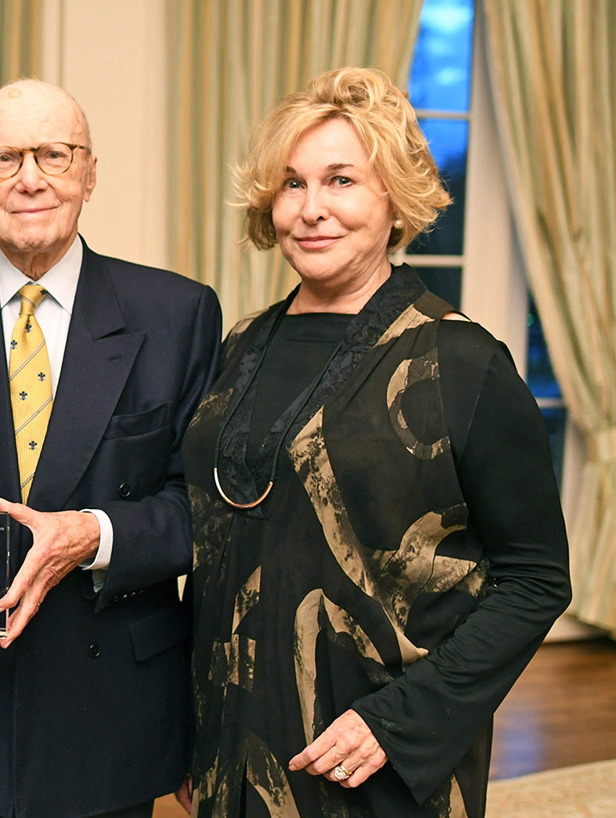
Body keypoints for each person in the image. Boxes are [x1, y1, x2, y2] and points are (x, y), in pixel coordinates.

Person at [180, 67, 572, 818]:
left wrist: (396, 723)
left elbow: (535, 581)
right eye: (292, 184)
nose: (311, 209)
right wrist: (195, 729)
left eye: (340, 181)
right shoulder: (242, 344)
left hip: (378, 756)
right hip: (235, 747)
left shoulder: (463, 363)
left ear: (393, 197)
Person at [0, 79, 223, 818]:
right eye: (4, 157)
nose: (30, 177)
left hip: (111, 712)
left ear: (90, 172)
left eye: (54, 154)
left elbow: (204, 510)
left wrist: (95, 533)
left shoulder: (178, 312)